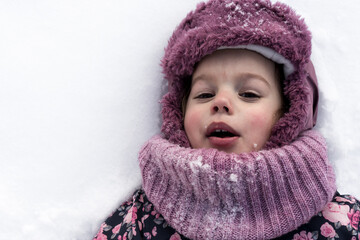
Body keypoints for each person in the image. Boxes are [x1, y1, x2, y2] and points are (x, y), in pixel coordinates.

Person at [93, 0, 360, 239]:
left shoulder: (341, 222)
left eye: (249, 94)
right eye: (205, 94)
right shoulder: (140, 219)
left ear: (289, 113)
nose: (221, 102)